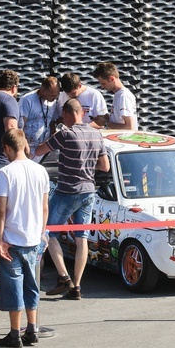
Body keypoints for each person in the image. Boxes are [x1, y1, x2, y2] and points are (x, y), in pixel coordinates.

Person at [34, 99, 110, 299]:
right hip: (88, 192)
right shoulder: (96, 134)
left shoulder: (65, 134)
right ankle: (77, 286)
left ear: (67, 114)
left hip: (67, 191)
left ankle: (64, 277)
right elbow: (105, 166)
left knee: (48, 231)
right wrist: (86, 164)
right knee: (81, 238)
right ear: (82, 113)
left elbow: (39, 150)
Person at [0, 129, 50, 348]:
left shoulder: (5, 173)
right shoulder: (40, 171)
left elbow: (0, 210)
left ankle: (15, 332)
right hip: (34, 237)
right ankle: (32, 328)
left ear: (7, 147)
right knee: (32, 285)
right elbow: (45, 207)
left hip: (12, 237)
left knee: (13, 285)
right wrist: (42, 232)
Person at [19, 76, 61, 157]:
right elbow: (20, 126)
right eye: (52, 95)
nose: (55, 98)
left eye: (56, 95)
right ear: (43, 90)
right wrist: (24, 147)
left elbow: (52, 121)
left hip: (44, 148)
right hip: (28, 148)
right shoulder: (27, 100)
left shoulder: (53, 101)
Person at [92, 62, 138, 130]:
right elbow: (121, 120)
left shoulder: (123, 96)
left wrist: (105, 123)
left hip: (123, 140)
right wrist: (109, 118)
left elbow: (130, 127)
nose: (102, 87)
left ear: (112, 79)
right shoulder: (119, 95)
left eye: (103, 83)